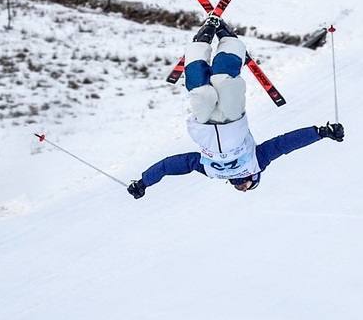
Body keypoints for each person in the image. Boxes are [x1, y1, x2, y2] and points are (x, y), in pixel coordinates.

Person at [127, 15, 344, 199]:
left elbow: (172, 165)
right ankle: (229, 40)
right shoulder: (256, 163)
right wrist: (320, 133)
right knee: (224, 82)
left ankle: (200, 43)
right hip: (233, 121)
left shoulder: (211, 171)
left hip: (203, 126)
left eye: (239, 189)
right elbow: (284, 144)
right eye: (248, 187)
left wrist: (145, 182)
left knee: (201, 93)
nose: (241, 187)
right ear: (254, 178)